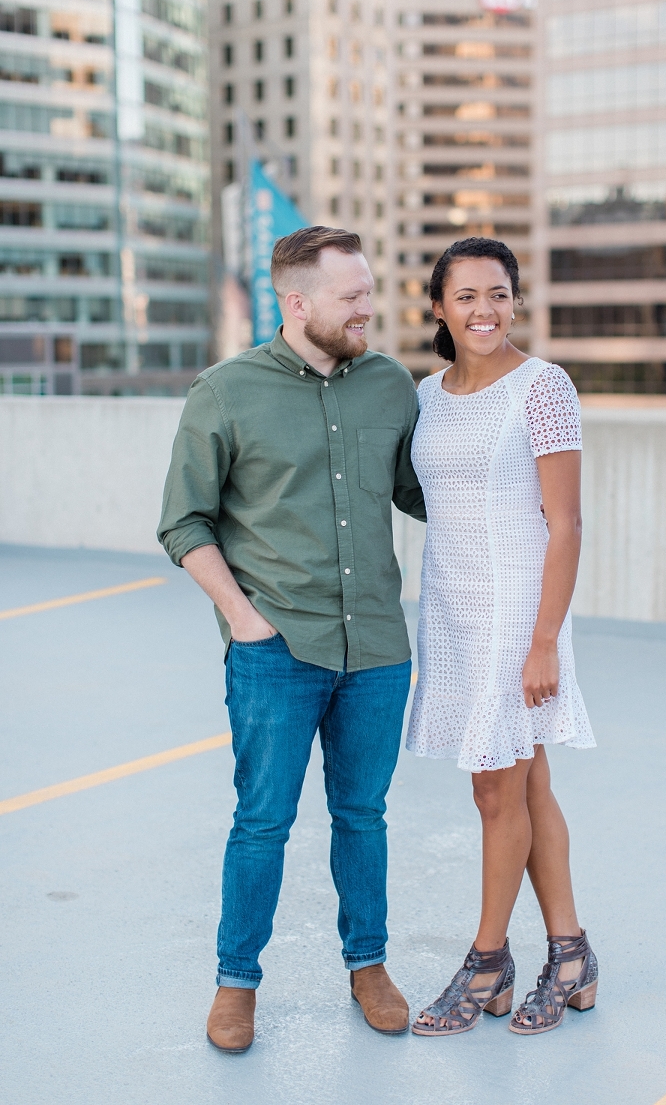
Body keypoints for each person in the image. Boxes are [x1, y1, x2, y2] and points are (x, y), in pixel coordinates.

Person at [157, 226, 426, 1052]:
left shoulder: (390, 386)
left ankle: (368, 966)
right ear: (297, 301)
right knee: (263, 822)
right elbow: (183, 522)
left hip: (377, 646)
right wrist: (243, 619)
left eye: (368, 293)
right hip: (275, 649)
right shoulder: (226, 391)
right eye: (352, 297)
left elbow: (424, 493)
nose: (367, 310)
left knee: (363, 815)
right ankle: (236, 983)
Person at [406, 237, 597, 1038]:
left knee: (495, 790)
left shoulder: (542, 388)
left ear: (515, 300)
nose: (484, 311)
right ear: (440, 308)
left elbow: (566, 524)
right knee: (528, 785)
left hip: (517, 608)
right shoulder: (425, 392)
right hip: (450, 604)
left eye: (498, 294)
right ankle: (574, 957)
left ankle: (488, 961)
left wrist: (544, 640)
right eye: (467, 297)